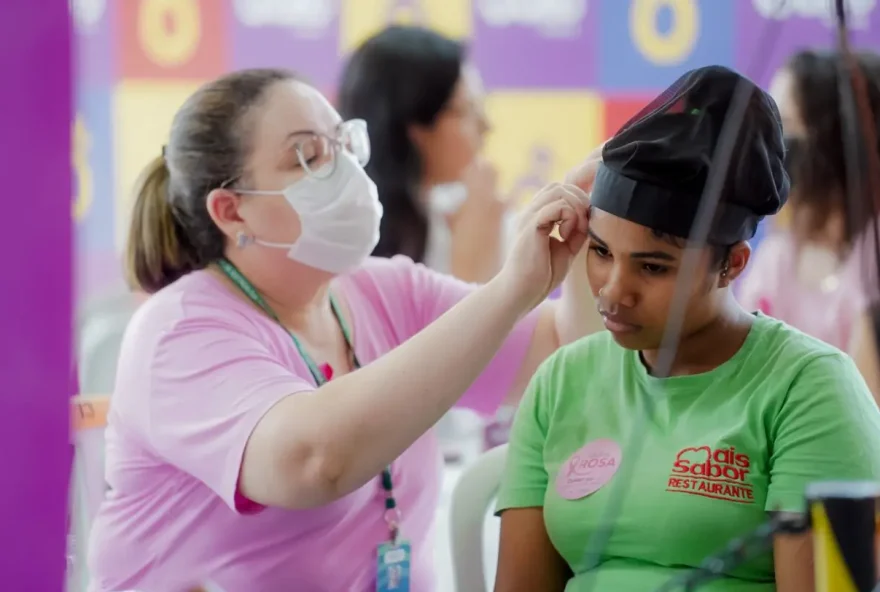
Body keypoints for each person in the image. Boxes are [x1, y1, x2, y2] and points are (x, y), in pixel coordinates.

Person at [86, 67, 596, 592]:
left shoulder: (385, 289)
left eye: (342, 142)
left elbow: (563, 352)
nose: (344, 168)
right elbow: (314, 461)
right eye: (306, 156)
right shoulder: (180, 331)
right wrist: (510, 289)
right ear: (231, 210)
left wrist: (591, 225)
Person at [494, 65, 880, 592]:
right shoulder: (561, 382)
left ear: (733, 265)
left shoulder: (811, 389)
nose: (613, 290)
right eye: (602, 253)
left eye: (653, 267)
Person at [338, 25, 508, 283]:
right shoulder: (345, 245)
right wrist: (472, 275)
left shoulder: (461, 216)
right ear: (412, 127)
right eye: (465, 110)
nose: (486, 126)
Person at [738, 50, 880, 350]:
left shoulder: (871, 259)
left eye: (787, 126)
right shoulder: (775, 261)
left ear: (835, 141)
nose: (774, 145)